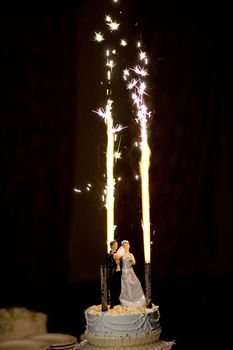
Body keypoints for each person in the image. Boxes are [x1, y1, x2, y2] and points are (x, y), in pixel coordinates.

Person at [116, 240, 146, 307]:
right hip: (125, 271)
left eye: (127, 245)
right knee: (127, 285)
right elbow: (118, 261)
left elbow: (134, 262)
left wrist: (131, 262)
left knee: (136, 283)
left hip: (130, 271)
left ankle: (136, 299)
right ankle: (128, 301)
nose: (126, 246)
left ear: (129, 246)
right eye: (124, 245)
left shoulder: (131, 254)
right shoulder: (122, 255)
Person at [106, 240, 122, 308]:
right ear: (112, 246)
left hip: (119, 271)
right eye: (115, 245)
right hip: (113, 272)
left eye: (117, 245)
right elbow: (109, 263)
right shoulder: (109, 254)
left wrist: (119, 261)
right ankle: (112, 303)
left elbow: (120, 262)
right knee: (113, 288)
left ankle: (118, 302)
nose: (116, 246)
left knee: (119, 287)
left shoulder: (118, 253)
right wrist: (114, 257)